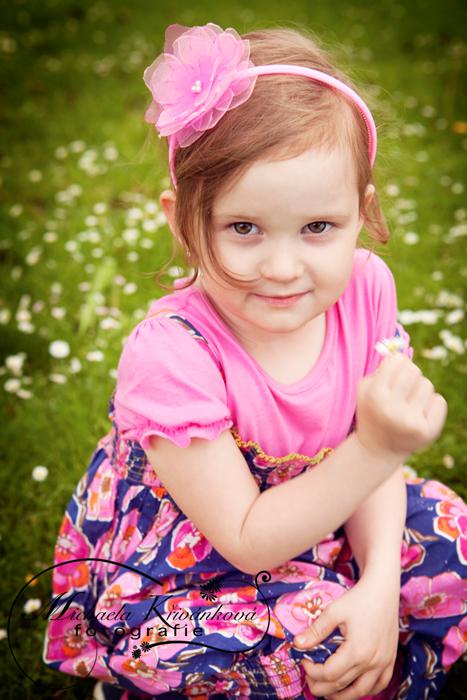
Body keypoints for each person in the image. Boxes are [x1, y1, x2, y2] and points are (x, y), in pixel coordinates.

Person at [42, 22, 467, 700]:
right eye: (243, 228)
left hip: (332, 508)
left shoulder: (364, 290)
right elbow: (246, 538)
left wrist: (380, 584)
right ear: (183, 221)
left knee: (449, 537)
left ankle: (369, 629)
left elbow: (374, 473)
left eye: (318, 227)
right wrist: (377, 447)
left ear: (360, 214)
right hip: (199, 558)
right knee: (302, 636)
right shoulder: (172, 354)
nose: (281, 267)